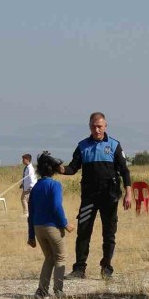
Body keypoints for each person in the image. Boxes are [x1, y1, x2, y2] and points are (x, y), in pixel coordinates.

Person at [59, 112, 132, 279]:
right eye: (93, 126)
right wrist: (59, 168)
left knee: (109, 233)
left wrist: (128, 193)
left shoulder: (114, 145)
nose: (97, 129)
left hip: (109, 197)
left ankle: (106, 268)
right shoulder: (82, 146)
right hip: (89, 198)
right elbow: (72, 168)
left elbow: (125, 171)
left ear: (105, 126)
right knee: (83, 232)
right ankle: (79, 269)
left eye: (100, 126)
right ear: (89, 126)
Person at [27, 152, 74, 299]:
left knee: (49, 258)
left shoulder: (35, 188)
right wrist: (65, 224)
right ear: (53, 170)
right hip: (52, 227)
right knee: (60, 258)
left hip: (37, 227)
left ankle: (41, 291)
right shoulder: (55, 185)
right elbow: (56, 206)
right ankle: (58, 291)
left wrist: (31, 236)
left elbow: (31, 212)